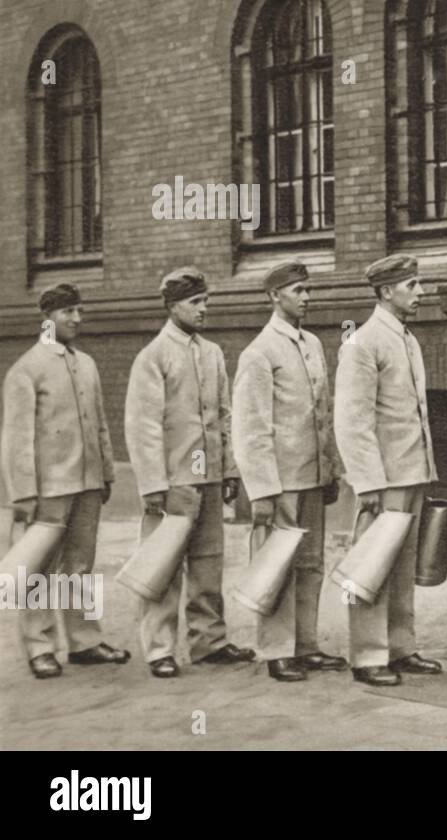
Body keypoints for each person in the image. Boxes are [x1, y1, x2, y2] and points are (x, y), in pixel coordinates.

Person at [124, 267, 254, 678]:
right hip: (174, 481)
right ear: (172, 305)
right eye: (195, 302)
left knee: (208, 564)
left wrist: (229, 469)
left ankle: (208, 641)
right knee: (163, 566)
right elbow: (143, 427)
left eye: (206, 300)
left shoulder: (212, 353)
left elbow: (225, 415)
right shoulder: (153, 357)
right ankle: (160, 648)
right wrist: (153, 485)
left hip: (210, 478)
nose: (204, 308)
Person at [2, 283, 131, 678]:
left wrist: (106, 472)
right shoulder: (27, 369)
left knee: (80, 565)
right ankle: (40, 647)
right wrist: (23, 493)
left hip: (88, 483)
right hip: (49, 488)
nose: (77, 319)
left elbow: (101, 425)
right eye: (67, 312)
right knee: (38, 570)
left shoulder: (87, 364)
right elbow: (17, 438)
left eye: (79, 311)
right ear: (47, 317)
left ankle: (85, 641)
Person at [232, 261, 346, 683]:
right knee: (277, 564)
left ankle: (306, 645)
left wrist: (330, 468)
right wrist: (262, 490)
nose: (306, 297)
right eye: (297, 290)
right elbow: (251, 428)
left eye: (308, 289)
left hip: (312, 476)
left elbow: (323, 413)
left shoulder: (312, 343)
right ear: (274, 296)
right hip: (281, 482)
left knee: (311, 564)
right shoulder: (259, 352)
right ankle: (276, 649)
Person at [334, 254, 443, 687]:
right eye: (412, 285)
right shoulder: (363, 343)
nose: (420, 293)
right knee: (371, 565)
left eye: (419, 284)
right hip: (383, 478)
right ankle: (367, 655)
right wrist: (368, 482)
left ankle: (401, 647)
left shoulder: (407, 339)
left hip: (411, 472)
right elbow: (352, 420)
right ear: (385, 292)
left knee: (401, 567)